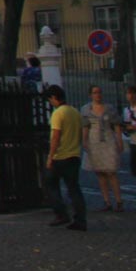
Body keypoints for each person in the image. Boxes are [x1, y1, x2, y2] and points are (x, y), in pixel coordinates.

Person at [45, 84, 87, 230]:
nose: (50, 102)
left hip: (60, 156)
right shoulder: (75, 112)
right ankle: (81, 219)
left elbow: (55, 136)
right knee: (74, 188)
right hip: (74, 155)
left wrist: (50, 156)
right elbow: (81, 131)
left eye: (50, 100)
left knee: (51, 185)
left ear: (54, 98)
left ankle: (61, 213)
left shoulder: (58, 113)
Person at [81, 85, 125, 211]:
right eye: (95, 93)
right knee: (100, 172)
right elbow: (85, 127)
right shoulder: (86, 109)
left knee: (111, 171)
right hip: (94, 141)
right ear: (91, 95)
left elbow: (116, 125)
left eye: (99, 92)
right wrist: (84, 141)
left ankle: (119, 201)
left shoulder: (109, 109)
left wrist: (119, 140)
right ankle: (106, 201)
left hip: (108, 139)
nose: (98, 95)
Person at [123, 85, 136, 179]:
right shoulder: (127, 110)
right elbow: (127, 126)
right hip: (133, 142)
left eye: (133, 93)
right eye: (128, 93)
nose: (130, 96)